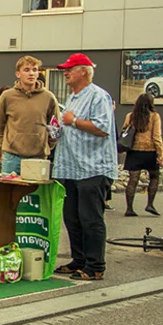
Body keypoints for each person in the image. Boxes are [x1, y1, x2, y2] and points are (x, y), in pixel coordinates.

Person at [52, 54, 118, 282]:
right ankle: (79, 260)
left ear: (83, 71)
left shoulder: (98, 96)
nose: (65, 73)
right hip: (71, 168)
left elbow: (102, 128)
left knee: (90, 218)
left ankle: (95, 265)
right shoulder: (72, 98)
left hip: (93, 168)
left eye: (69, 69)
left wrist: (73, 121)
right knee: (72, 217)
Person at [0, 55, 61, 175]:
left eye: (34, 70)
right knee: (7, 193)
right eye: (26, 70)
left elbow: (55, 128)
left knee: (35, 194)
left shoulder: (48, 98)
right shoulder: (7, 97)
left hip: (38, 158)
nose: (31, 73)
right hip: (12, 157)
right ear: (18, 74)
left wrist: (46, 147)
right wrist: (2, 149)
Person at [122, 93, 163, 217]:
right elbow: (157, 137)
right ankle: (150, 204)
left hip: (134, 151)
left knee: (133, 179)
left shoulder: (130, 116)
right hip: (150, 151)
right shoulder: (155, 117)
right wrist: (160, 154)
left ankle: (129, 208)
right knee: (154, 177)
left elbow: (124, 132)